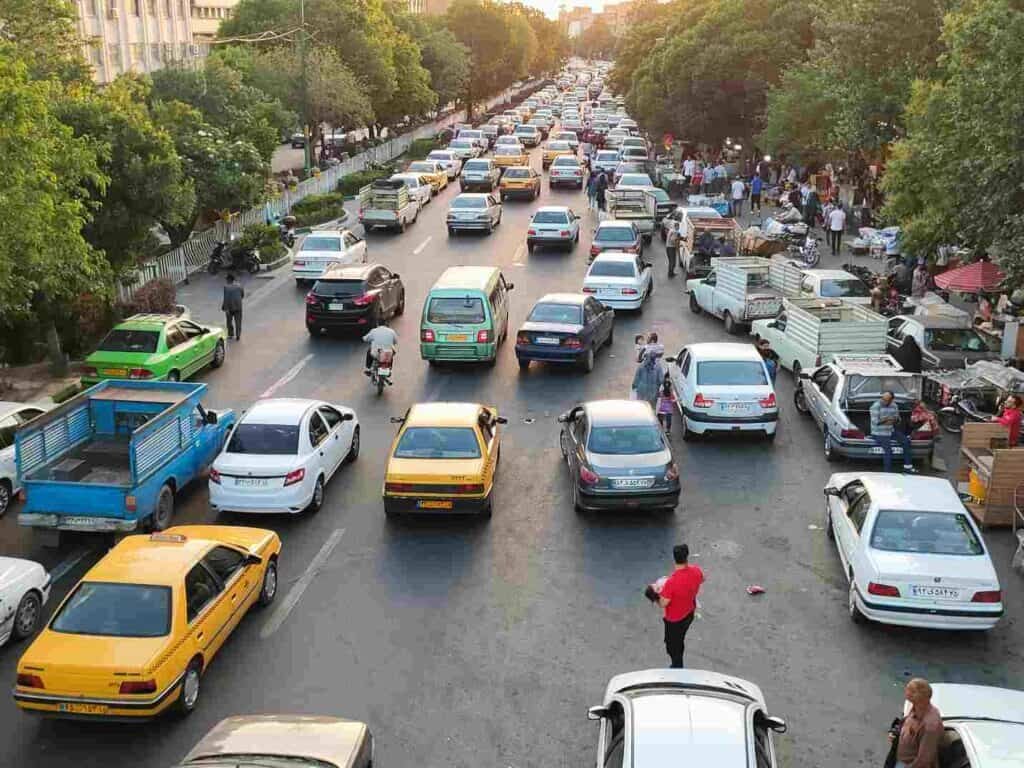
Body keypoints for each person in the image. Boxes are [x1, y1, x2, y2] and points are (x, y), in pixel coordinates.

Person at [657, 544, 704, 668]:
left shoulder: (671, 583)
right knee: (680, 639)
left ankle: (677, 667)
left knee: (672, 647)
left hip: (674, 621)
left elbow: (663, 603)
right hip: (689, 613)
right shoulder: (696, 570)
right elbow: (702, 579)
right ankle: (678, 661)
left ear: (674, 558)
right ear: (687, 556)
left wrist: (655, 593)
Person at [890, 678, 943, 768]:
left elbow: (923, 760)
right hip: (900, 759)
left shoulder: (930, 726)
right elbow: (907, 722)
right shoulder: (917, 707)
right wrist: (896, 734)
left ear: (920, 696)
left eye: (910, 690)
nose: (906, 692)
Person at [870, 391, 916, 473]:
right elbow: (875, 422)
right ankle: (887, 472)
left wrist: (895, 420)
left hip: (890, 430)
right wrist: (887, 420)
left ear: (891, 400)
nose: (884, 401)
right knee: (888, 450)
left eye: (886, 400)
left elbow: (898, 419)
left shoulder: (894, 405)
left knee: (906, 441)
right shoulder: (876, 406)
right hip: (878, 433)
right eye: (883, 399)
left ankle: (907, 467)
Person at [221, 273, 244, 341]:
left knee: (229, 322)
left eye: (226, 279)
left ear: (229, 279)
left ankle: (231, 334)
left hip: (229, 307)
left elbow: (226, 298)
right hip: (238, 306)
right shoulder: (240, 286)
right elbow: (242, 295)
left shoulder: (226, 287)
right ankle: (238, 335)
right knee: (238, 322)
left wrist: (226, 308)